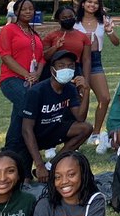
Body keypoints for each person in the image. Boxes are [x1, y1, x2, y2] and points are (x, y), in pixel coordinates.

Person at [14, 48, 92, 181]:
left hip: (53, 130)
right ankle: (39, 167)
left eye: (70, 66)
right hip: (33, 136)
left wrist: (86, 91)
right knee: (24, 180)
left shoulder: (70, 89)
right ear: (52, 70)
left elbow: (80, 117)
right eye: (61, 66)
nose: (66, 69)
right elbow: (26, 130)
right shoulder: (36, 92)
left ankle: (52, 165)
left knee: (86, 128)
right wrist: (39, 165)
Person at [0, 0, 46, 154]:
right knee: (27, 102)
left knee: (20, 112)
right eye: (24, 9)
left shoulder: (34, 34)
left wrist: (37, 73)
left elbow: (41, 58)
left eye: (31, 9)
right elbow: (5, 56)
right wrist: (26, 75)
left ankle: (10, 150)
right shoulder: (9, 30)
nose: (28, 12)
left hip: (32, 81)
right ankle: (16, 148)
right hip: (12, 79)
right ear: (16, 11)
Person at [74, 0, 118, 155]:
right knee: (79, 100)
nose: (92, 5)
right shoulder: (75, 22)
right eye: (89, 2)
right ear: (83, 3)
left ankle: (96, 133)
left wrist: (109, 31)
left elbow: (116, 42)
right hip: (77, 62)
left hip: (95, 61)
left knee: (104, 98)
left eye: (96, 3)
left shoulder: (103, 21)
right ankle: (78, 133)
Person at [40, 4, 91, 81]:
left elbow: (86, 60)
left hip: (74, 70)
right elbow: (45, 56)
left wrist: (86, 79)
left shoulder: (83, 37)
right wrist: (55, 47)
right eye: (64, 18)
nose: (68, 19)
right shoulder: (51, 36)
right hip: (54, 71)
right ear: (58, 20)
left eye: (71, 17)